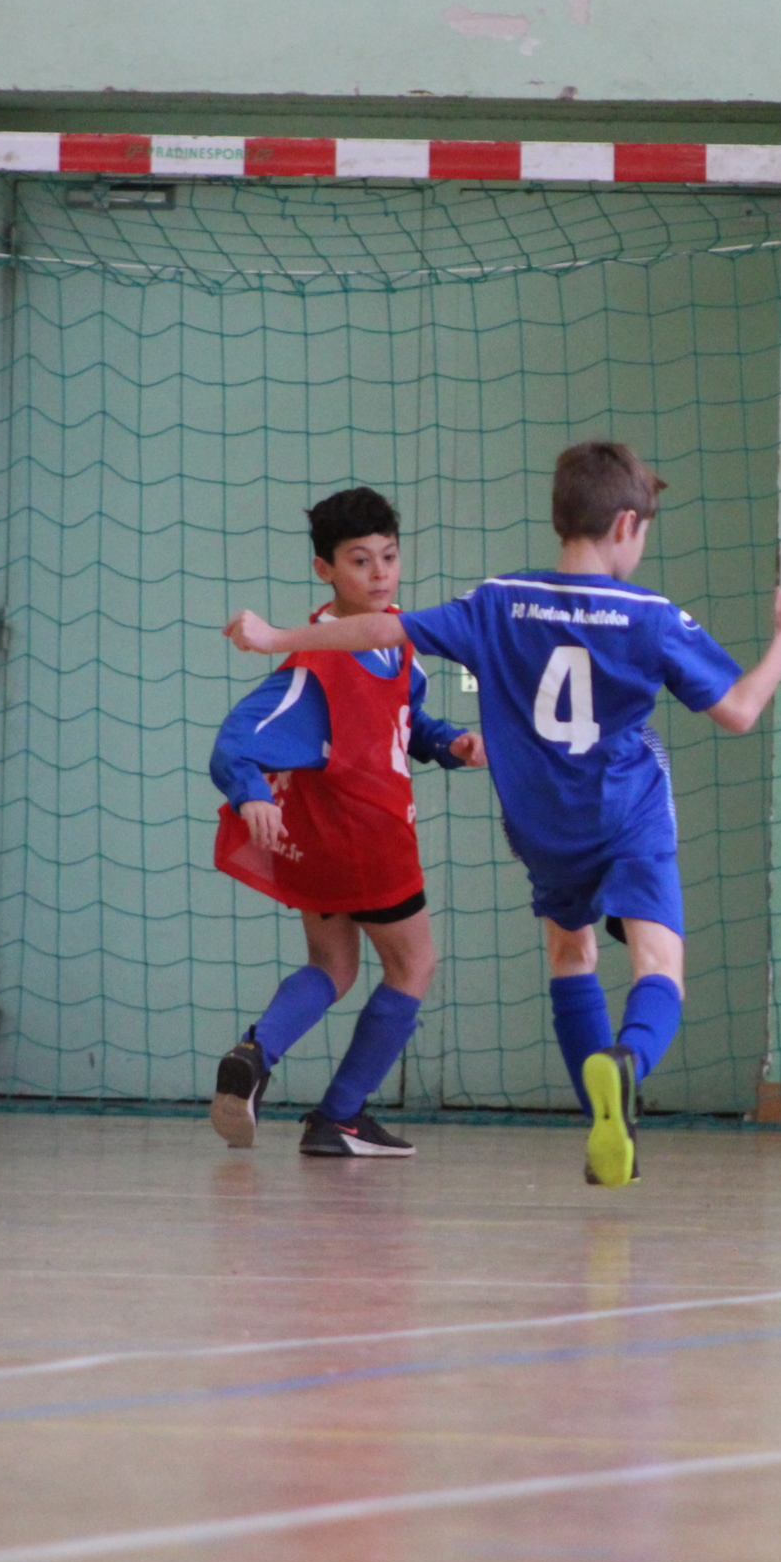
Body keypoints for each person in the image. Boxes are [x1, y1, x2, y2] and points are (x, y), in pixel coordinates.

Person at [225, 441, 781, 1186]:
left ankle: (604, 1125)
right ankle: (627, 1065)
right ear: (625, 525)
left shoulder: (498, 601)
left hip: (542, 825)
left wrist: (277, 638)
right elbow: (738, 709)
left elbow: (380, 630)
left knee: (571, 954)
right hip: (627, 811)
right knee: (659, 963)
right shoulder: (651, 616)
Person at [207, 486, 484, 1157]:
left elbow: (406, 719)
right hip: (371, 840)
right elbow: (234, 738)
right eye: (360, 560)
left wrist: (447, 742)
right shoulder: (317, 662)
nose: (380, 573)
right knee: (414, 964)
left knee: (332, 965)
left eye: (389, 556)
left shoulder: (397, 641)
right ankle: (342, 1115)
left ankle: (254, 1053)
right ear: (324, 570)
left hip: (320, 844)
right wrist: (249, 791)